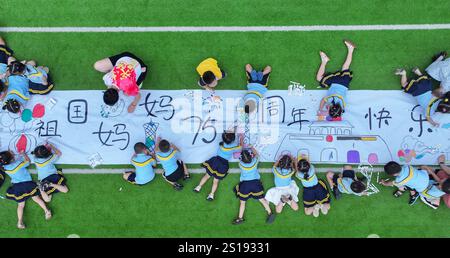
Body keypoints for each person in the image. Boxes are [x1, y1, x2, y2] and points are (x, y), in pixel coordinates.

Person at [0, 150, 52, 229]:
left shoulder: (4, 167)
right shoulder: (18, 164)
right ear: (11, 158)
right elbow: (28, 161)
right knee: (36, 198)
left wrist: (14, 157)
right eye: (11, 153)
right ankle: (47, 211)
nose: (12, 152)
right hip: (27, 184)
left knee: (20, 205)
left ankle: (19, 222)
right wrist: (24, 154)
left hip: (17, 186)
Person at [232, 146, 275, 225]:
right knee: (261, 199)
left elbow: (241, 156)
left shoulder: (241, 164)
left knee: (242, 202)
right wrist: (252, 147)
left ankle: (240, 218)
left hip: (245, 185)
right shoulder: (255, 161)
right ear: (251, 156)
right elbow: (257, 154)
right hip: (255, 183)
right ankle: (270, 213)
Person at [194, 132, 242, 201]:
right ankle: (211, 195)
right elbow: (241, 147)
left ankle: (198, 187)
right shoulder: (234, 146)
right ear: (232, 140)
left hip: (216, 161)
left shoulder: (222, 143)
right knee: (216, 181)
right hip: (223, 165)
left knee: (207, 176)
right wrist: (241, 139)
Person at [316, 40, 356, 121]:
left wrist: (328, 111)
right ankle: (324, 61)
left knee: (346, 66)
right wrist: (320, 110)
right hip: (336, 82)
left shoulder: (343, 106)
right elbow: (323, 101)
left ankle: (351, 49)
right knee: (319, 78)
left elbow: (337, 112)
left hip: (344, 83)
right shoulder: (330, 99)